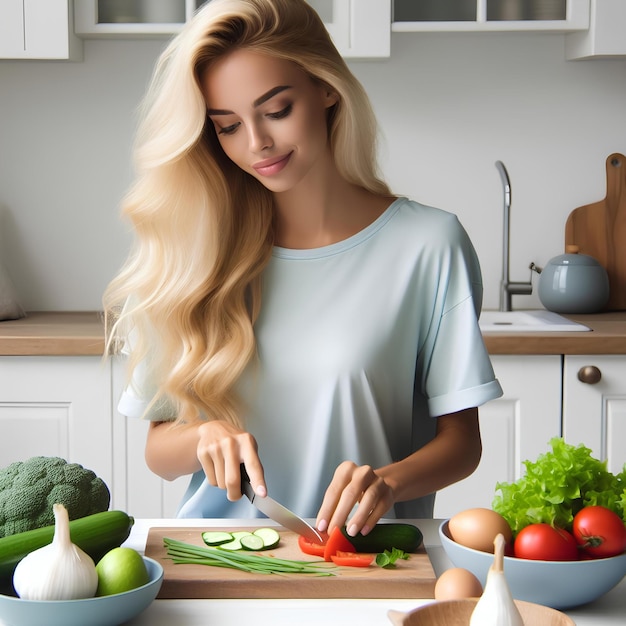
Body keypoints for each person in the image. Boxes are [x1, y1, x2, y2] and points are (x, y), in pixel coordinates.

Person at [104, 0, 502, 538]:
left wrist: (387, 482)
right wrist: (202, 438)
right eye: (226, 127)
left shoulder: (428, 245)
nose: (256, 144)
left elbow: (461, 445)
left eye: (276, 110)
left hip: (364, 560)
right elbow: (159, 451)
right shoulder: (190, 257)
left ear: (326, 87)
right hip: (216, 560)